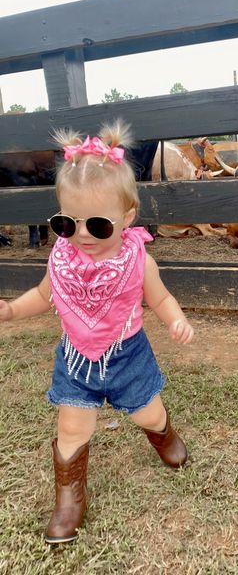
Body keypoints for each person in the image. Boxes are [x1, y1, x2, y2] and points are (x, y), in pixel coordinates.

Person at [0, 120, 194, 544]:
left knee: (149, 411)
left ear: (126, 217)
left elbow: (159, 299)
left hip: (128, 357)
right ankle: (69, 496)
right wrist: (13, 310)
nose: (82, 235)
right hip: (76, 358)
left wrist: (176, 319)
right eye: (67, 224)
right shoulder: (62, 260)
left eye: (99, 226)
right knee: (72, 426)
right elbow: (43, 294)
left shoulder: (138, 262)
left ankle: (163, 433)